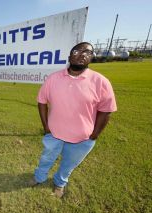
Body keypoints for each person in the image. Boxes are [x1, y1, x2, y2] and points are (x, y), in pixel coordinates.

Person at [30, 42, 117, 198]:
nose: (82, 54)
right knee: (46, 158)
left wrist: (94, 134)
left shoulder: (101, 82)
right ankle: (39, 177)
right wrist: (46, 126)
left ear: (91, 58)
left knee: (68, 164)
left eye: (88, 52)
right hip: (54, 134)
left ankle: (60, 183)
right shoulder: (53, 78)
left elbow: (106, 110)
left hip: (82, 138)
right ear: (70, 56)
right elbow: (42, 101)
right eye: (77, 51)